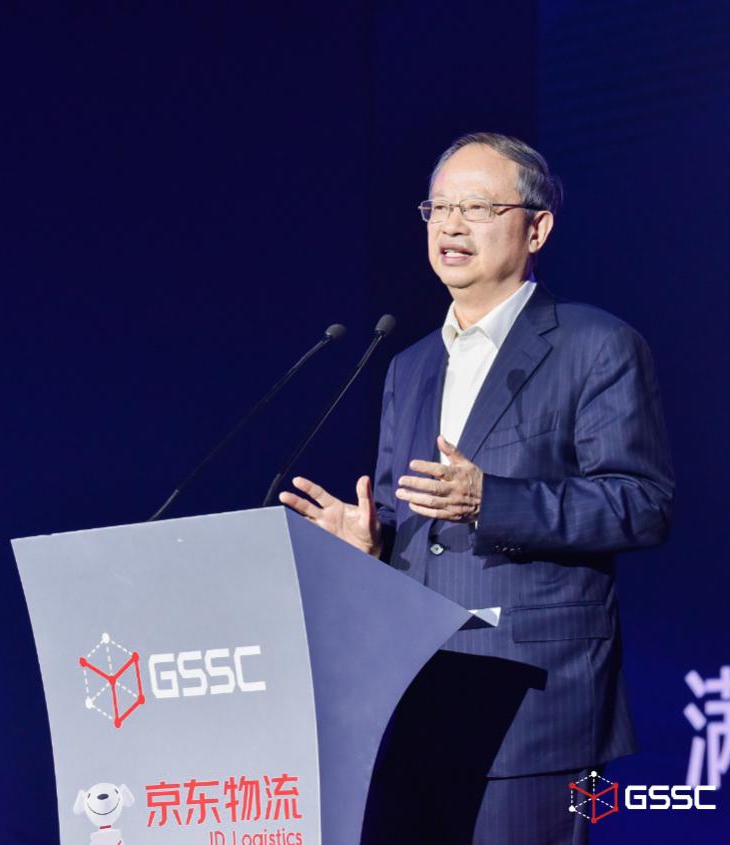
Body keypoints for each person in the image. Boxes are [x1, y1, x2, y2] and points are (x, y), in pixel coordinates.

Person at [279, 132, 674, 844]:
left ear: (536, 228)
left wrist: (493, 501)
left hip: (537, 701)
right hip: (415, 696)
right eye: (439, 208)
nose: (452, 226)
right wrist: (373, 541)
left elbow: (641, 504)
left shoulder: (595, 345)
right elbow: (412, 515)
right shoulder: (409, 366)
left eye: (479, 208)